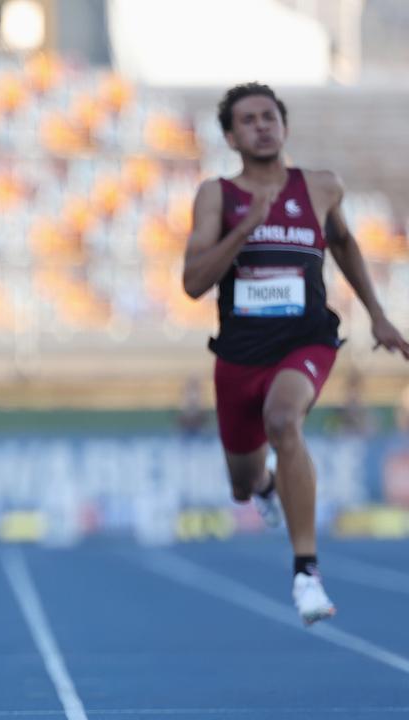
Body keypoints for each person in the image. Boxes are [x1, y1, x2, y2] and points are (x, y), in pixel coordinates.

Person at [181, 83, 409, 625]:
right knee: (241, 481)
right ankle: (262, 485)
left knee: (284, 421)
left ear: (283, 125)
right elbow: (193, 283)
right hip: (239, 349)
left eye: (269, 116)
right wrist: (245, 229)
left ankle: (306, 572)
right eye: (248, 120)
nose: (261, 125)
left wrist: (376, 313)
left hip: (306, 336)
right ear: (232, 136)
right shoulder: (218, 195)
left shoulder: (322, 187)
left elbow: (346, 243)